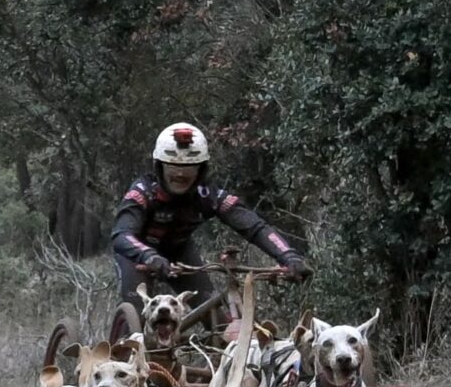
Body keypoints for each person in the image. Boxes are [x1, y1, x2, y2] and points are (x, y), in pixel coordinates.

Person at [111, 121, 311, 310]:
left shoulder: (209, 195)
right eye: (173, 167)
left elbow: (255, 227)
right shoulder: (143, 192)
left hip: (179, 254)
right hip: (136, 254)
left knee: (214, 313)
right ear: (159, 167)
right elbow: (121, 235)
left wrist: (288, 256)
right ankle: (126, 343)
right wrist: (148, 255)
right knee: (138, 313)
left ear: (201, 171)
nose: (180, 175)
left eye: (189, 168)